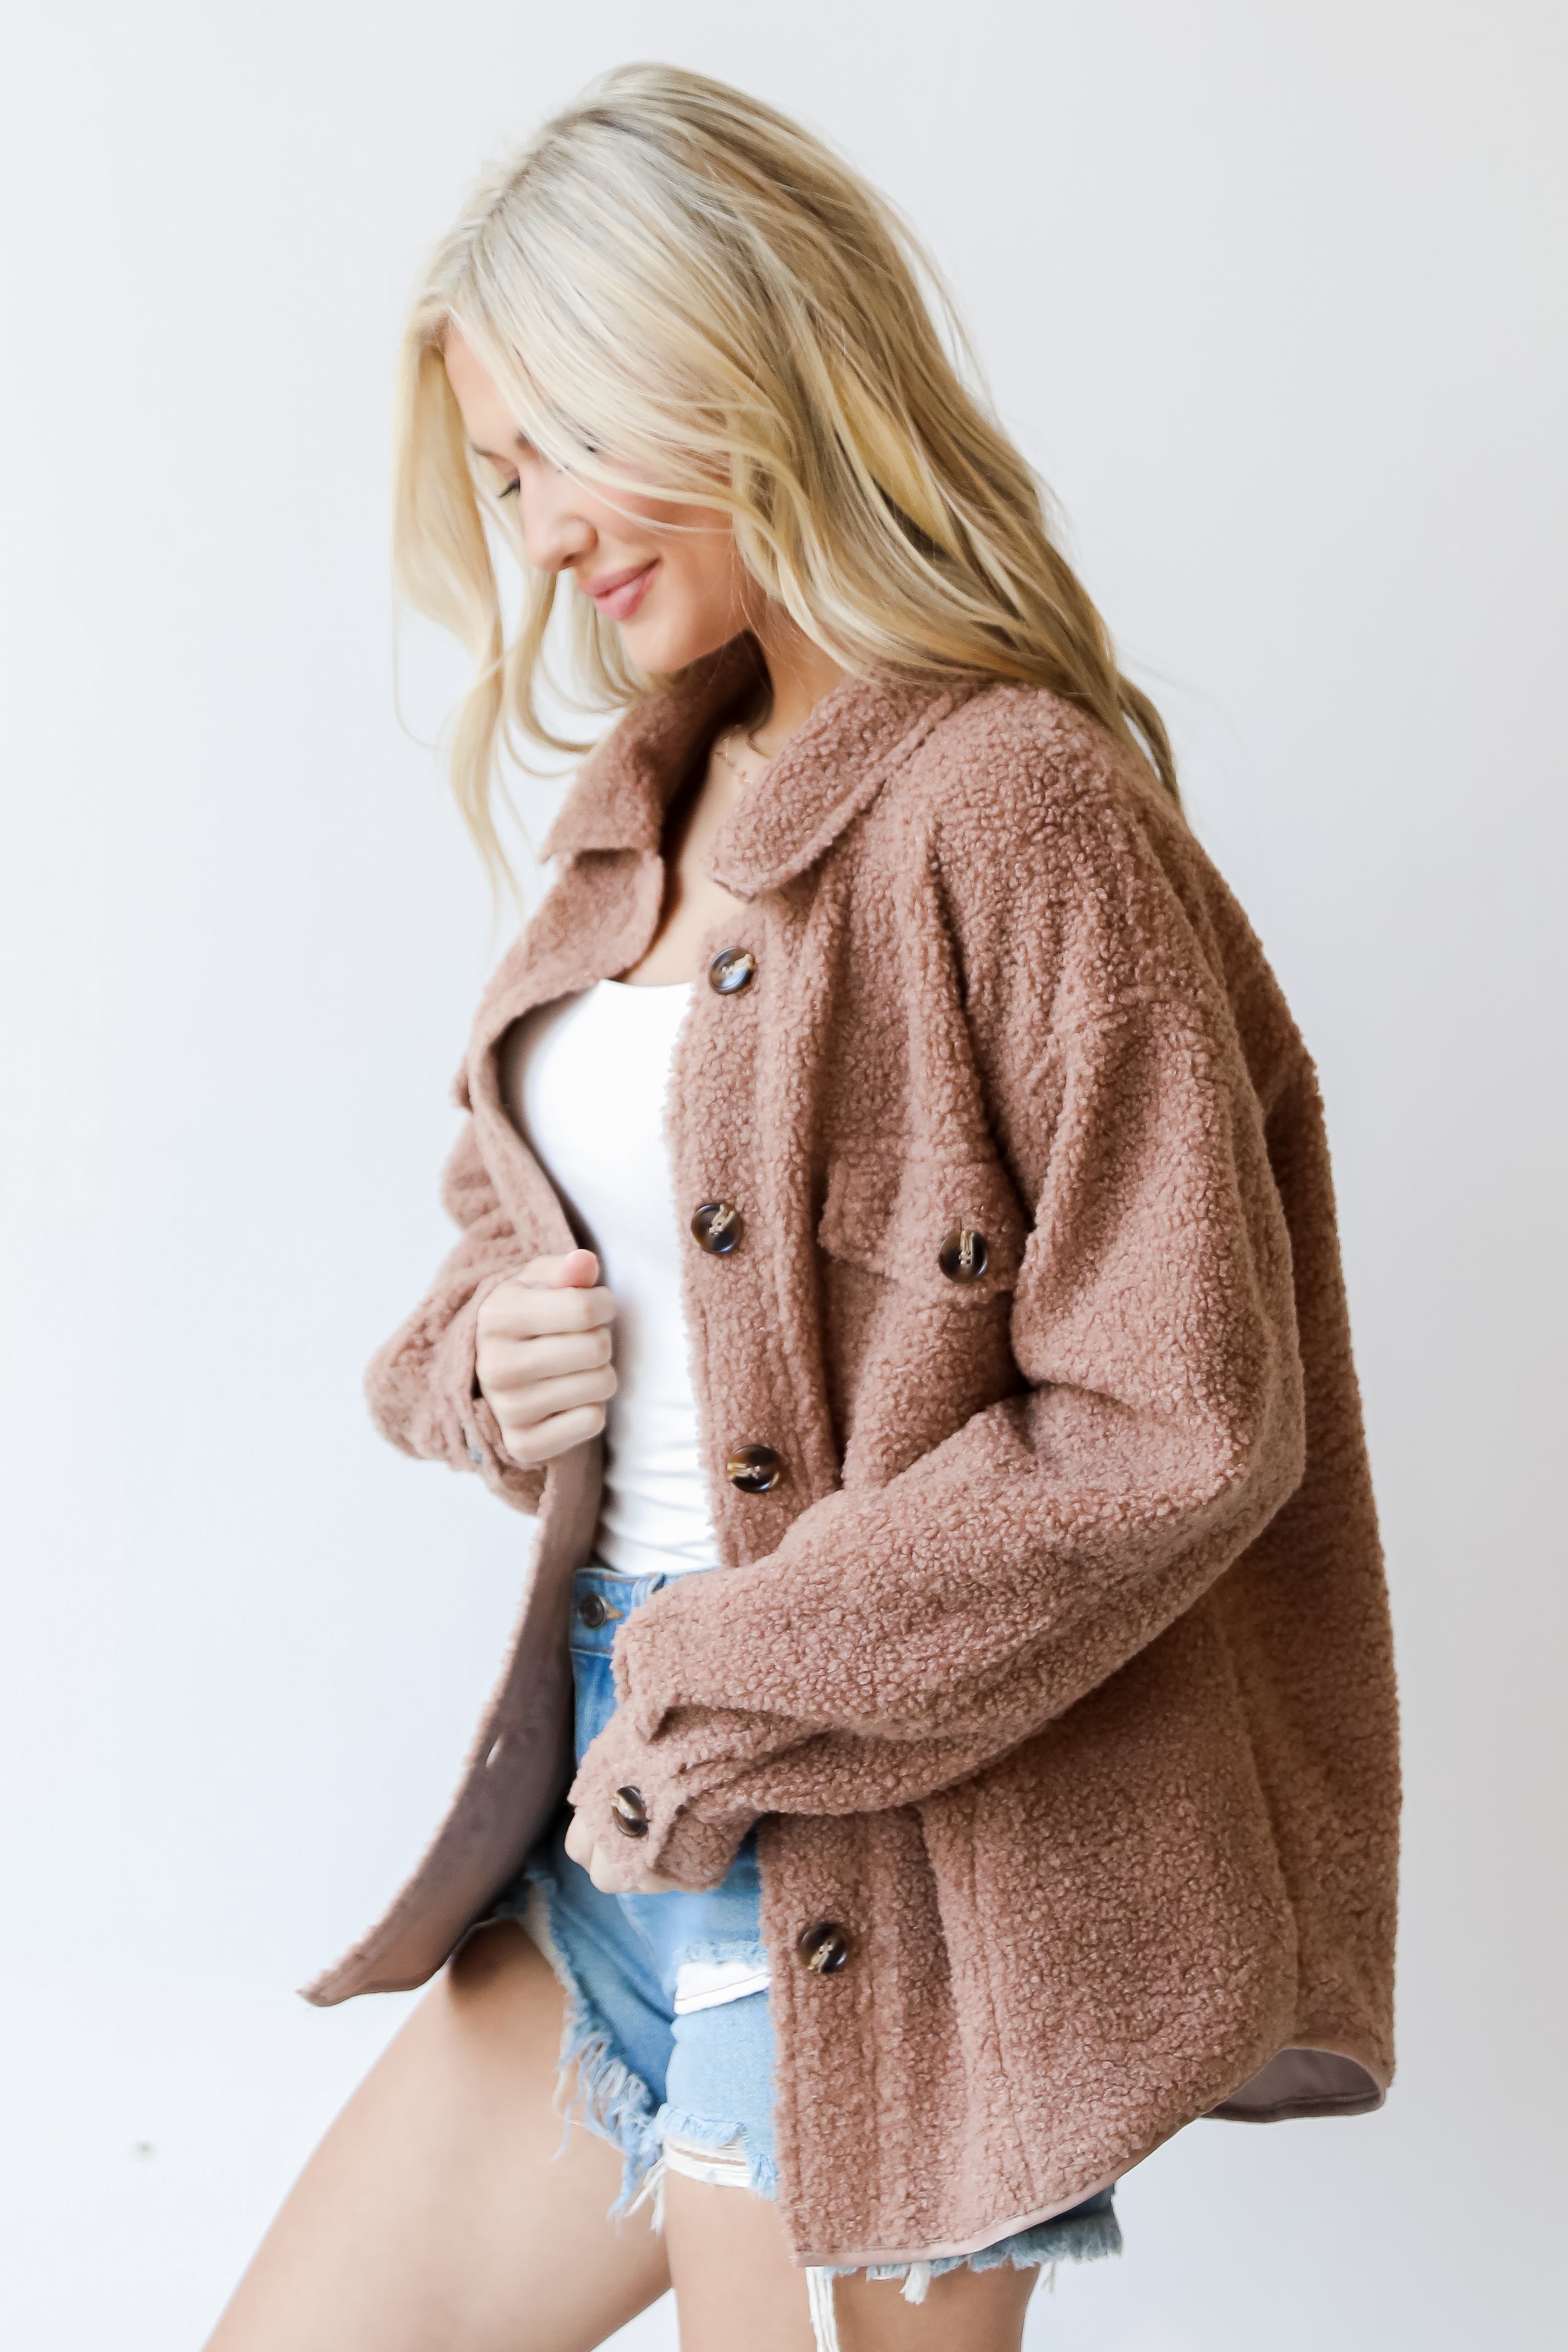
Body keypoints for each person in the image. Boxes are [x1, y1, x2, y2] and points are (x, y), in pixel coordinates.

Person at [206, 63, 1399, 2352]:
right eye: (504, 476)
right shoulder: (638, 801)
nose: (542, 532)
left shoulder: (1017, 806)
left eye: (567, 442)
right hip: (611, 1799)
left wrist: (727, 1668)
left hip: (879, 1841)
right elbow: (514, 1230)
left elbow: (1174, 1418)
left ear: (734, 359)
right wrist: (481, 1361)